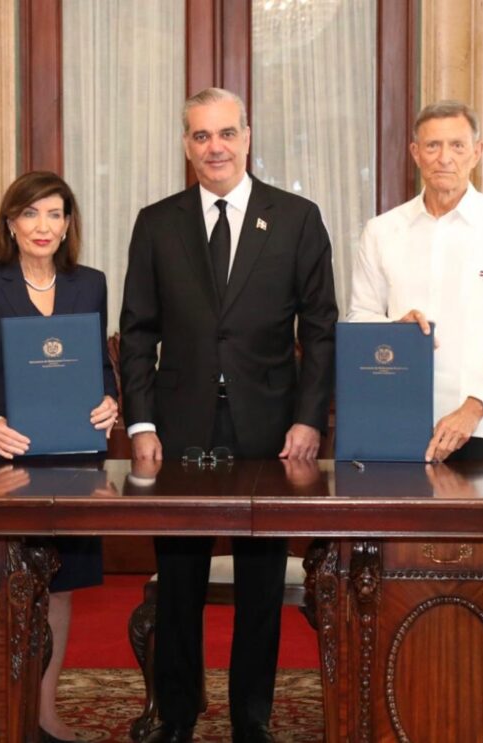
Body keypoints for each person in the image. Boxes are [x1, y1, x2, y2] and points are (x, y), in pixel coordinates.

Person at [119, 87, 337, 743]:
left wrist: (307, 419)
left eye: (225, 133)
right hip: (179, 433)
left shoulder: (296, 217)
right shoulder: (157, 222)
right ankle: (178, 714)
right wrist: (141, 423)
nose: (214, 147)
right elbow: (136, 332)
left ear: (247, 134)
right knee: (179, 580)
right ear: (186, 145)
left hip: (269, 433)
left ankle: (253, 717)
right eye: (200, 136)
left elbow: (320, 330)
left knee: (261, 584)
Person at [0, 170, 119, 743]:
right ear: (11, 223)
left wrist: (110, 402)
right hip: (6, 460)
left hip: (71, 461)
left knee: (60, 587)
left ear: (68, 224)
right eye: (31, 214)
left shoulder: (89, 283)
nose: (43, 226)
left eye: (55, 214)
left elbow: (100, 368)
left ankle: (45, 712)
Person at [347, 100, 483, 463]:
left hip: (481, 428)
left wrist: (475, 406)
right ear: (415, 153)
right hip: (395, 422)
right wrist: (393, 328)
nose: (444, 158)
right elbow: (359, 318)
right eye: (432, 146)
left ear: (477, 152)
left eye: (457, 145)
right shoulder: (381, 231)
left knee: (476, 524)